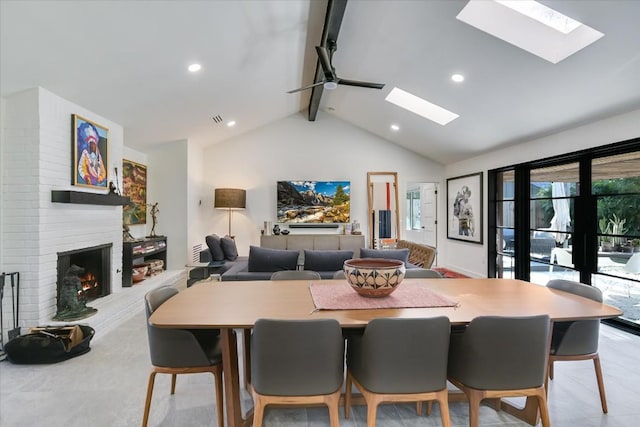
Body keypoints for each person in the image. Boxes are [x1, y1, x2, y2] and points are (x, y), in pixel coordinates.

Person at [77, 121, 107, 187]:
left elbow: (102, 169)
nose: (92, 146)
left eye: (93, 144)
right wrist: (86, 177)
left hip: (99, 182)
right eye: (90, 144)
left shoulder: (98, 155)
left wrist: (101, 177)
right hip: (88, 181)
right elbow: (81, 167)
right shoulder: (85, 153)